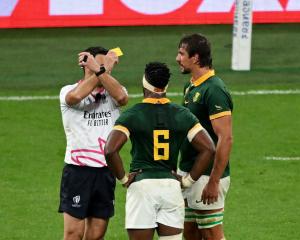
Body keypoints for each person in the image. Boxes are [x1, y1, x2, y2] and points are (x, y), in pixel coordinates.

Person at [104, 62, 216, 240]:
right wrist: (188, 181)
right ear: (166, 86)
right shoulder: (182, 114)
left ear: (144, 83)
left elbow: (110, 150)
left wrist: (124, 178)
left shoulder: (133, 114)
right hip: (171, 188)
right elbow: (209, 148)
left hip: (142, 187)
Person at [58, 46, 128, 240]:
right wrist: (103, 69)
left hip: (106, 171)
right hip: (78, 171)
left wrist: (101, 70)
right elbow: (75, 98)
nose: (99, 68)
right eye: (95, 65)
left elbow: (123, 97)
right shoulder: (67, 91)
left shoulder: (114, 93)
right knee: (73, 234)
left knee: (96, 235)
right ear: (85, 66)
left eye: (102, 65)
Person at [176, 33, 233, 240]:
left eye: (182, 54)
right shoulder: (191, 86)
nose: (177, 58)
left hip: (207, 175)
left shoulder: (214, 90)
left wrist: (214, 181)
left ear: (196, 58)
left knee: (211, 233)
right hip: (191, 171)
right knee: (189, 232)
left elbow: (225, 138)